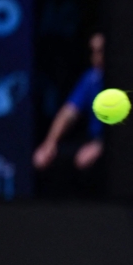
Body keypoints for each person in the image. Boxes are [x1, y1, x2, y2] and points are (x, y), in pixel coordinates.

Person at [32, 32, 106, 177]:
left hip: (116, 148)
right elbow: (69, 112)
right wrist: (49, 143)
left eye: (101, 51)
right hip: (92, 139)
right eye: (93, 52)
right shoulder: (91, 78)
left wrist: (102, 146)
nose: (96, 57)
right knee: (42, 159)